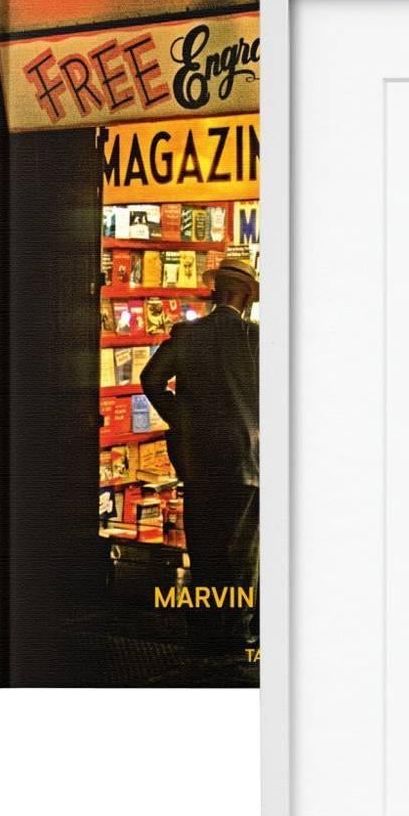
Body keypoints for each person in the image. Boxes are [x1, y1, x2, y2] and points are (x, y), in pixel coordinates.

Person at [141, 254, 260, 659]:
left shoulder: (187, 335)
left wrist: (181, 417)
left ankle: (204, 630)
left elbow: (151, 378)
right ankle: (236, 635)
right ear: (244, 297)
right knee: (241, 554)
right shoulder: (257, 338)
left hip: (198, 459)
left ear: (216, 293)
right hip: (247, 460)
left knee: (205, 548)